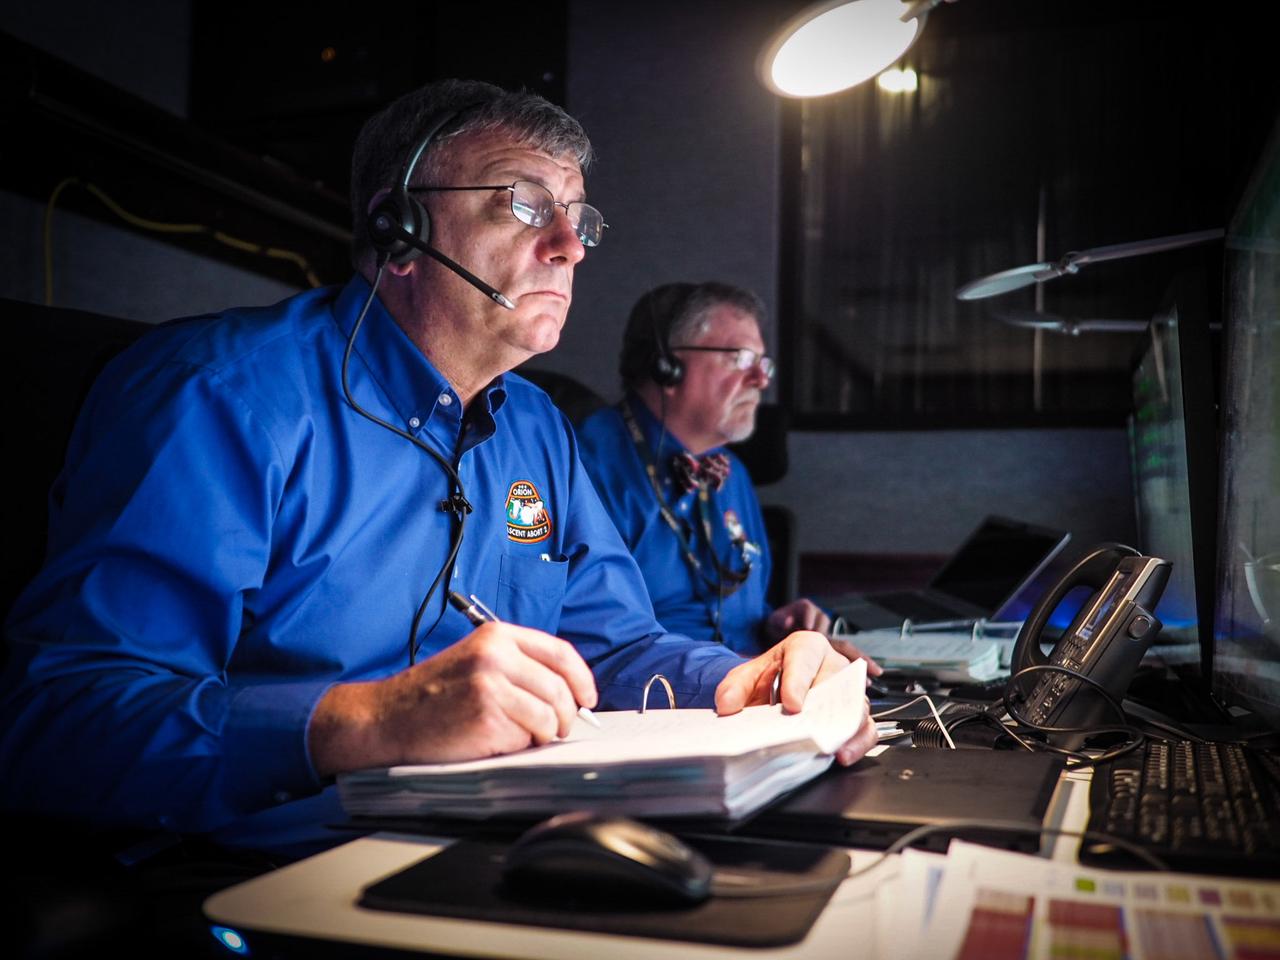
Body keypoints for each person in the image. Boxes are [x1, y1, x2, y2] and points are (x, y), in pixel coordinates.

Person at [0, 80, 877, 861]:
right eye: (528, 206)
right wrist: (375, 721)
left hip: (509, 842)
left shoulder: (539, 428)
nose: (572, 245)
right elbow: (60, 723)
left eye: (581, 216)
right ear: (402, 231)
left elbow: (613, 642)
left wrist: (735, 680)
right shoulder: (219, 396)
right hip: (268, 867)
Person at [576, 282, 883, 671]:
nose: (761, 379)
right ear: (665, 365)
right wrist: (754, 668)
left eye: (763, 362)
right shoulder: (585, 467)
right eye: (739, 358)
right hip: (653, 708)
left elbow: (730, 614)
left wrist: (777, 628)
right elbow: (598, 645)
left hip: (747, 695)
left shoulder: (731, 473)